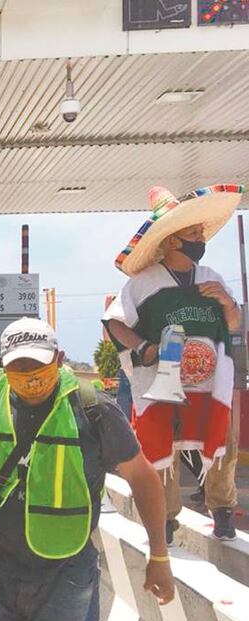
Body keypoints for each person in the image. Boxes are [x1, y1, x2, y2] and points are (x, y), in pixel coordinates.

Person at [0, 318, 175, 621]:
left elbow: (144, 479)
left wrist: (158, 557)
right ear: (3, 366)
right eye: (19, 367)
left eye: (37, 364)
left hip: (65, 579)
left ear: (59, 357)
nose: (30, 375)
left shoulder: (92, 408)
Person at [103, 183, 243, 542]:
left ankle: (223, 511)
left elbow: (232, 325)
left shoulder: (211, 278)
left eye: (199, 230)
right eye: (192, 231)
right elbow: (113, 324)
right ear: (170, 240)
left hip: (211, 382)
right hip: (160, 383)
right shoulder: (143, 284)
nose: (200, 236)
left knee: (221, 442)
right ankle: (163, 521)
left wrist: (227, 304)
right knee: (160, 449)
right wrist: (144, 349)